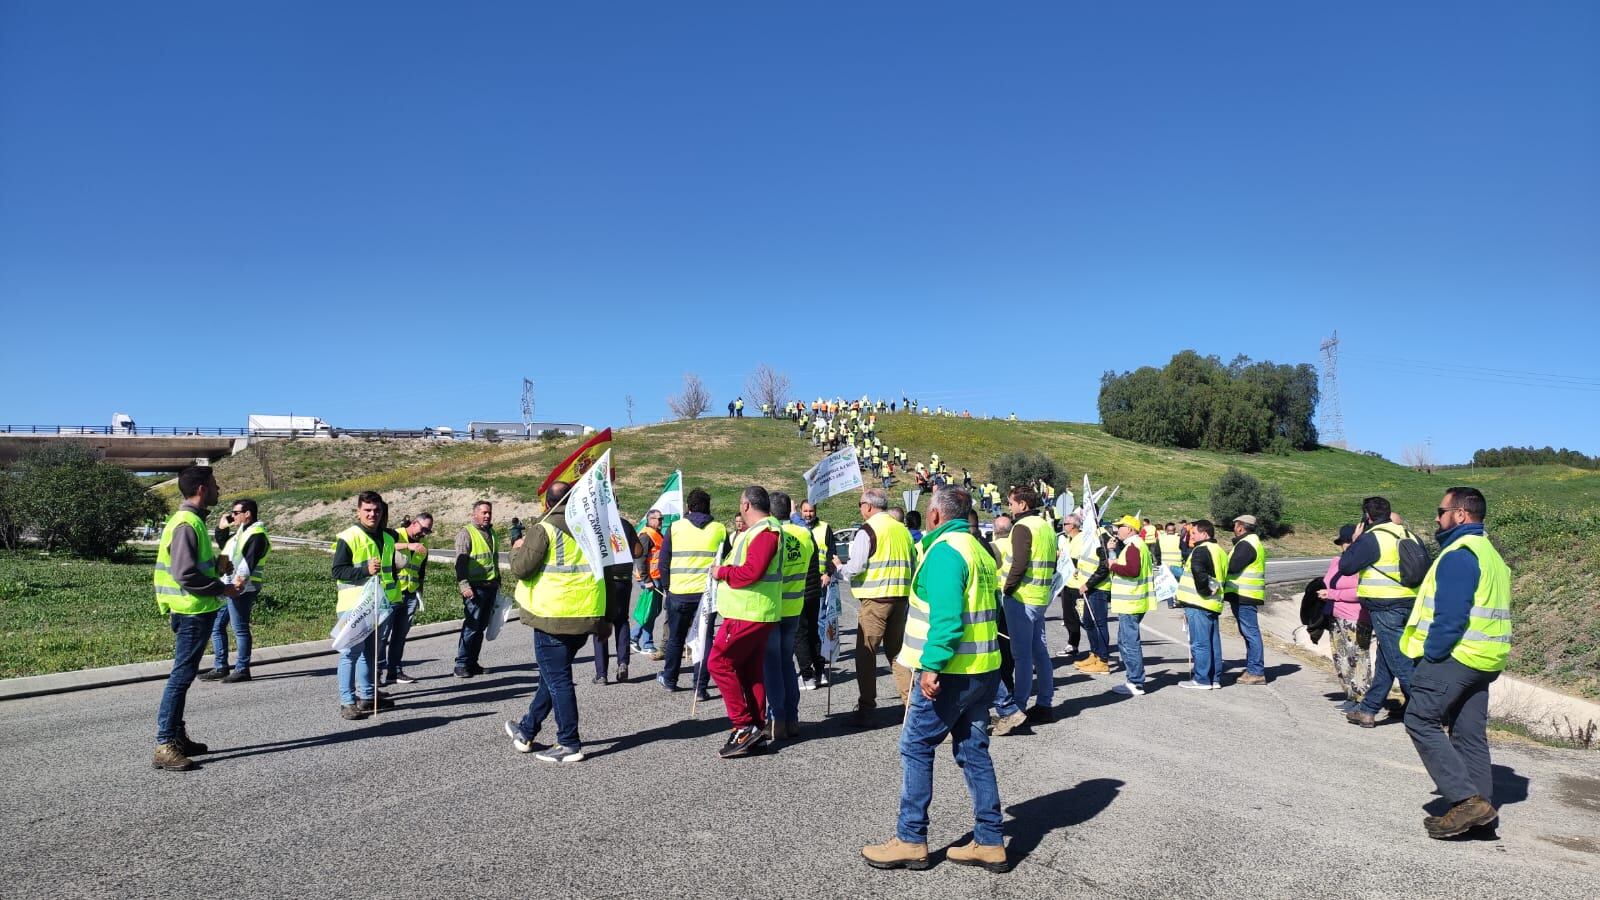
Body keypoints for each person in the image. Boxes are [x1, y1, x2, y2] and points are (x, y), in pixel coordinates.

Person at [861, 487, 1009, 873]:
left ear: (935, 516)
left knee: (916, 746)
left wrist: (931, 667)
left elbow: (946, 619)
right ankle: (990, 841)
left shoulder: (945, 552)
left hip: (950, 674)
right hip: (982, 670)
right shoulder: (978, 548)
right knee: (973, 752)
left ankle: (910, 839)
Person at [1401, 487, 1512, 839]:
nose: (1437, 517)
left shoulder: (1459, 554)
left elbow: (1450, 616)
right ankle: (1481, 815)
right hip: (1485, 659)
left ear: (1460, 514)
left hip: (1456, 656)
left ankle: (1465, 799)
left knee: (1420, 719)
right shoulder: (1491, 554)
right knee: (1468, 734)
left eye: (1441, 510)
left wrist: (1432, 654)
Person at [504, 481, 605, 763]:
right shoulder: (591, 531)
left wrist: (516, 547)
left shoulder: (543, 529)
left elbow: (521, 569)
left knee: (558, 680)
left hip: (552, 617)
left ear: (547, 504)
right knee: (551, 676)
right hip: (583, 615)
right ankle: (526, 730)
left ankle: (568, 742)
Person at [151, 466, 241, 771]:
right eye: (215, 485)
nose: (219, 489)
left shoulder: (192, 522)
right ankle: (165, 744)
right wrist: (223, 588)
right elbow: (185, 573)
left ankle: (176, 737)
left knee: (183, 676)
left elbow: (193, 566)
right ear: (202, 489)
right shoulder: (187, 523)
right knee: (180, 677)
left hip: (195, 609)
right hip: (190, 611)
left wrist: (217, 565)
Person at [709, 486, 784, 759]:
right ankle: (757, 727)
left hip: (748, 611)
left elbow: (752, 571)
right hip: (754, 611)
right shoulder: (758, 532)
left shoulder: (764, 533)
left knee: (718, 662)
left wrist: (722, 572)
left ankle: (743, 725)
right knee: (751, 671)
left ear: (746, 505)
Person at [833, 488, 916, 727]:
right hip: (900, 598)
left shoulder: (867, 530)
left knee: (866, 654)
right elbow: (912, 561)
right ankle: (911, 705)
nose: (860, 508)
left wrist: (840, 568)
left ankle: (867, 706)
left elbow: (856, 566)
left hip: (875, 600)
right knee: (899, 654)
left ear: (868, 506)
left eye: (860, 504)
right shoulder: (901, 529)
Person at [1339, 496, 1420, 727]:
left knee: (1399, 661)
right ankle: (1368, 709)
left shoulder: (1373, 537)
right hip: (1411, 603)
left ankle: (1431, 711)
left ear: (1367, 516)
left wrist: (1355, 542)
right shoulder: (1408, 534)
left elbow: (1346, 567)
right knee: (1387, 658)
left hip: (1385, 605)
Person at [991, 486, 1058, 734]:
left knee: (1021, 656)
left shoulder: (1022, 527)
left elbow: (1019, 562)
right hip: (1040, 596)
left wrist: (1008, 589)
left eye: (1011, 502)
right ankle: (1044, 704)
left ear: (1022, 504)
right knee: (1039, 652)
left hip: (1022, 596)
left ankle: (1017, 708)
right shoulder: (1046, 526)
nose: (1009, 506)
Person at [330, 491, 403, 719]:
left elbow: (390, 571)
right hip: (354, 604)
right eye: (368, 510)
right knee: (351, 652)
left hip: (378, 606)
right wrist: (364, 570)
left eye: (376, 510)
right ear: (358, 511)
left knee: (371, 653)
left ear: (382, 512)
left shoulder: (388, 538)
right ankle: (347, 702)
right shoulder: (349, 537)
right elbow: (338, 571)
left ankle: (368, 697)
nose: (373, 514)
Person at [656, 489, 725, 698]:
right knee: (704, 639)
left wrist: (668, 587)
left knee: (676, 638)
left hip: (679, 592)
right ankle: (700, 687)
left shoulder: (675, 528)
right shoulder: (719, 529)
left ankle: (670, 679)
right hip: (706, 596)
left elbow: (663, 561)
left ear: (689, 507)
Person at [763, 491, 816, 740]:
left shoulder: (770, 535)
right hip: (795, 605)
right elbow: (801, 526)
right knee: (787, 663)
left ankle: (777, 719)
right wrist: (794, 515)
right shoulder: (804, 533)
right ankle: (792, 718)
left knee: (772, 666)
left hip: (773, 607)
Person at [202, 498, 270, 684]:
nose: (233, 516)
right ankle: (221, 667)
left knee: (239, 629)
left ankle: (242, 669)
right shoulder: (240, 533)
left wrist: (237, 586)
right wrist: (222, 527)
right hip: (229, 586)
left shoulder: (257, 534)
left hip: (242, 588)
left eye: (236, 513)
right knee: (217, 626)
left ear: (248, 514)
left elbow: (248, 564)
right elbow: (226, 547)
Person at [1321, 524, 1370, 710]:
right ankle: (1350, 694)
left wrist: (1333, 594)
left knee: (1357, 658)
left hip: (1356, 617)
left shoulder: (1363, 564)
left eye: (1349, 542)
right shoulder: (1336, 561)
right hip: (1335, 615)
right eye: (1343, 542)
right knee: (1340, 657)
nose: (1345, 546)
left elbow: (1360, 591)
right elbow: (1327, 583)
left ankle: (1362, 698)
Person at [383, 511, 434, 686]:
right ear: (414, 523)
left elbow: (421, 571)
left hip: (410, 594)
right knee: (382, 636)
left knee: (400, 636)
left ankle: (394, 671)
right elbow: (384, 546)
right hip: (391, 593)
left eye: (428, 531)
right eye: (423, 529)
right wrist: (407, 546)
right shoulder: (395, 534)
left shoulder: (423, 545)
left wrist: (420, 593)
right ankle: (375, 674)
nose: (424, 534)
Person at [1175, 520, 1226, 690]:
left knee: (1199, 643)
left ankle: (1202, 679)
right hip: (1213, 603)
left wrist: (1203, 590)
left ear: (1205, 534)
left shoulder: (1201, 549)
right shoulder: (1219, 550)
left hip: (1198, 602)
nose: (1191, 536)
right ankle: (1215, 678)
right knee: (1213, 643)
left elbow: (1198, 571)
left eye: (1194, 533)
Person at [453, 500, 501, 678]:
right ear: (475, 514)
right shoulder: (466, 533)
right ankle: (461, 664)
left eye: (489, 512)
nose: (487, 515)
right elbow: (460, 561)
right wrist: (464, 584)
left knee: (480, 627)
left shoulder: (491, 532)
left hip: (489, 586)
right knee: (471, 626)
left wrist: (498, 581)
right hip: (474, 588)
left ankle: (472, 663)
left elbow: (492, 560)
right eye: (484, 513)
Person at [1108, 515, 1154, 696]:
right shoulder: (1135, 545)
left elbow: (1132, 570)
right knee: (1125, 640)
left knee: (1129, 642)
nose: (1117, 529)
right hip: (1133, 600)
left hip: (1131, 601)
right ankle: (1134, 679)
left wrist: (1113, 566)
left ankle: (1135, 681)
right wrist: (1112, 553)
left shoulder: (1134, 546)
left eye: (1121, 527)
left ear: (1130, 529)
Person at [592, 516, 641, 684]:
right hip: (623, 579)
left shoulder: (596, 524)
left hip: (603, 580)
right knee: (621, 620)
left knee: (602, 622)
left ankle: (601, 673)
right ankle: (622, 662)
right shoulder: (625, 524)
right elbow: (638, 551)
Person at [1223, 515, 1268, 685]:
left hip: (1245, 595)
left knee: (1250, 633)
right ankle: (1252, 668)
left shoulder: (1246, 544)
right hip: (1244, 594)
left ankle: (1256, 671)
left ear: (1241, 527)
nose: (1234, 528)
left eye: (1235, 525)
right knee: (1248, 633)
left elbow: (1233, 567)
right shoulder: (1249, 542)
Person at [1064, 514, 1112, 674]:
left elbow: (1104, 567)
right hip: (1087, 586)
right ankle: (1095, 654)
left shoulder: (1101, 535)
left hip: (1097, 587)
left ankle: (1103, 660)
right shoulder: (1088, 536)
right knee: (1088, 622)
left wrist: (1088, 584)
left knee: (1099, 623)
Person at [797, 501, 835, 689]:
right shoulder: (796, 529)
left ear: (816, 511)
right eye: (805, 510)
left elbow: (832, 554)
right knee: (807, 629)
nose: (808, 514)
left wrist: (828, 573)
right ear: (800, 511)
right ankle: (814, 667)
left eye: (811, 510)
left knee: (819, 624)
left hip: (821, 581)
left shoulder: (825, 528)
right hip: (803, 583)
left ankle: (820, 669)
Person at [631, 509, 666, 659]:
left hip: (656, 578)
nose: (660, 521)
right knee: (649, 612)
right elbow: (640, 559)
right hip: (650, 579)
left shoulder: (657, 534)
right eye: (656, 519)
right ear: (649, 519)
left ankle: (635, 638)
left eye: (661, 519)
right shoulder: (646, 535)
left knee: (652, 611)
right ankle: (646, 643)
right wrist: (646, 580)